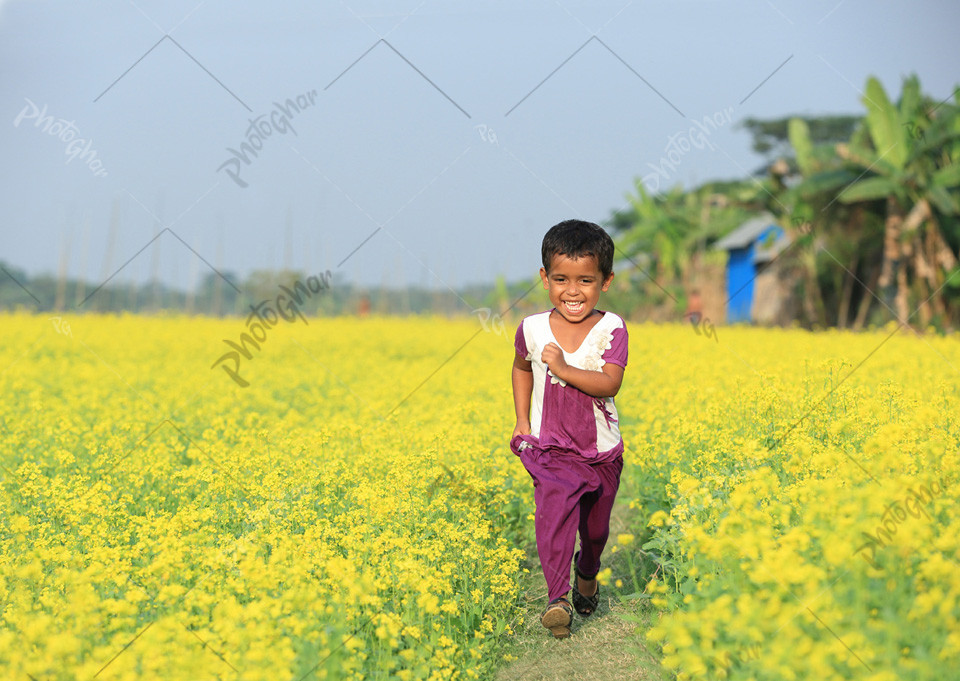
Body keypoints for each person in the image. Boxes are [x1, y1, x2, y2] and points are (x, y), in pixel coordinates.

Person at [510, 219, 628, 639]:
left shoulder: (611, 328)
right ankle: (557, 599)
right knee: (554, 514)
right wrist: (523, 423)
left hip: (601, 453)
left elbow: (610, 382)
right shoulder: (531, 328)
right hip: (551, 449)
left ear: (606, 281)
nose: (572, 291)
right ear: (545, 278)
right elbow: (522, 368)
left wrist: (562, 366)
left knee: (594, 533)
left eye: (585, 280)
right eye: (560, 279)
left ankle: (587, 572)